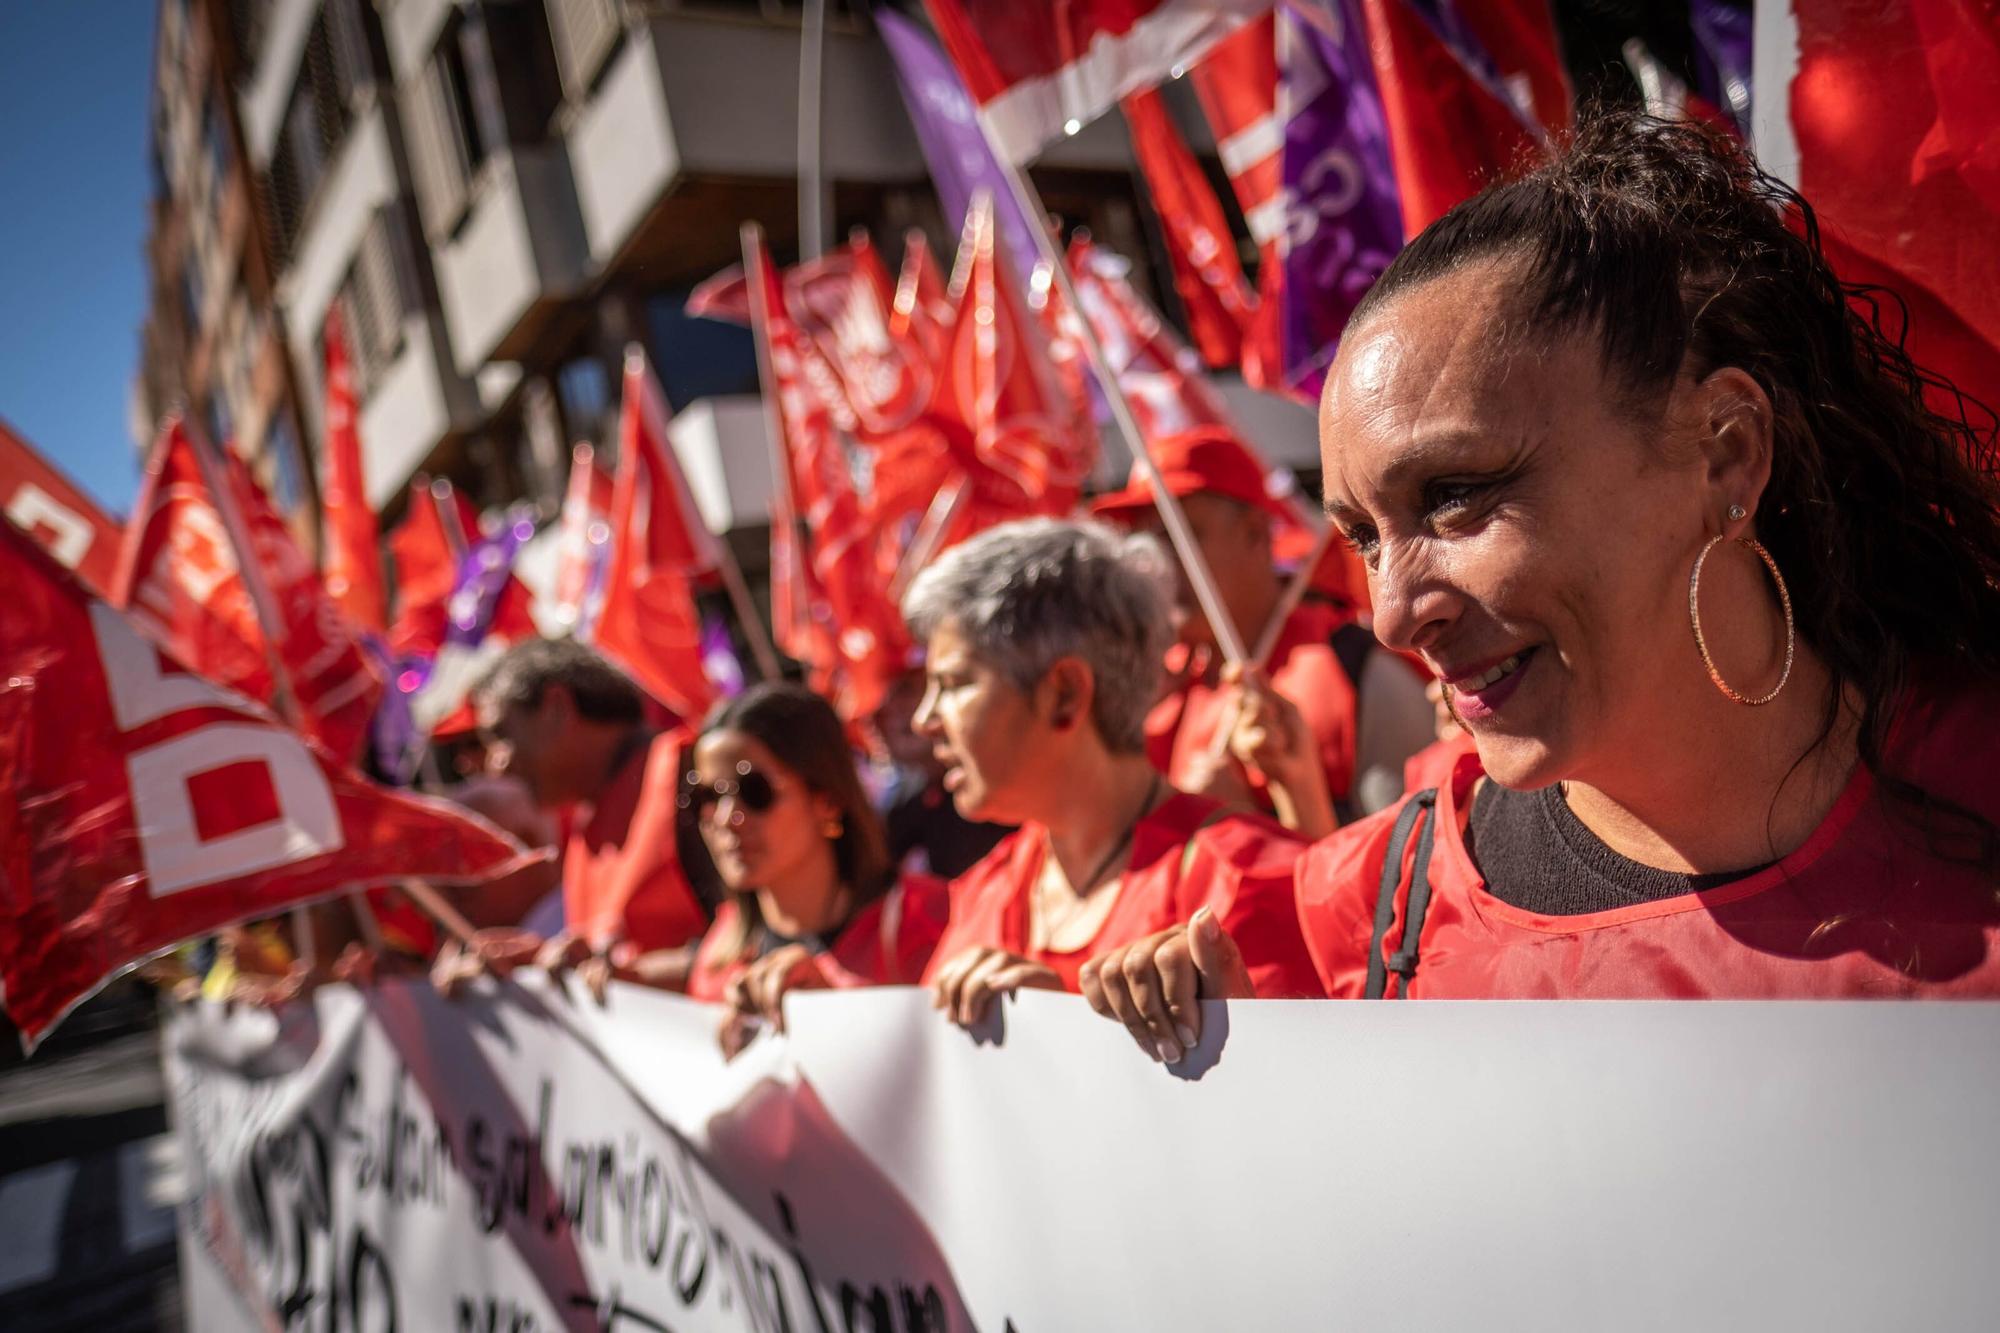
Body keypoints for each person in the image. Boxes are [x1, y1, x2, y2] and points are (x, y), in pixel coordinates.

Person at [1081, 112, 2000, 1054]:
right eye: (1362, 535)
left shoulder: (1976, 798)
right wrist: (1075, 1052)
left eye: (1454, 494)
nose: (1395, 616)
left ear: (1725, 452)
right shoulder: (1361, 921)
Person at [895, 517, 1320, 1059]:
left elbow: (1291, 1109)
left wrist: (1067, 1033)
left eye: (954, 684)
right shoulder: (987, 891)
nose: (926, 719)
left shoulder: (1248, 878)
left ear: (1066, 694)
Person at [1092, 426, 1433, 833]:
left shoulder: (1356, 669)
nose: (1160, 566)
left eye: (1181, 537)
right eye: (1146, 544)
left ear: (1255, 533)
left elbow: (1407, 869)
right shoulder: (1154, 691)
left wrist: (1249, 826)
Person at [685, 683, 949, 1055]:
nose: (728, 818)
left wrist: (832, 1008)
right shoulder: (722, 953)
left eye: (755, 791)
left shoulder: (928, 921)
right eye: (707, 797)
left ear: (827, 800)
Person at [465, 638, 721, 999]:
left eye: (501, 735)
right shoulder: (585, 824)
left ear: (557, 708)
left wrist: (634, 975)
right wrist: (540, 961)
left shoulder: (692, 775)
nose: (497, 763)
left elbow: (758, 945)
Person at [870, 668, 1011, 880]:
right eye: (876, 710)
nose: (891, 711)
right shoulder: (902, 811)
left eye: (906, 690)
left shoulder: (1009, 788)